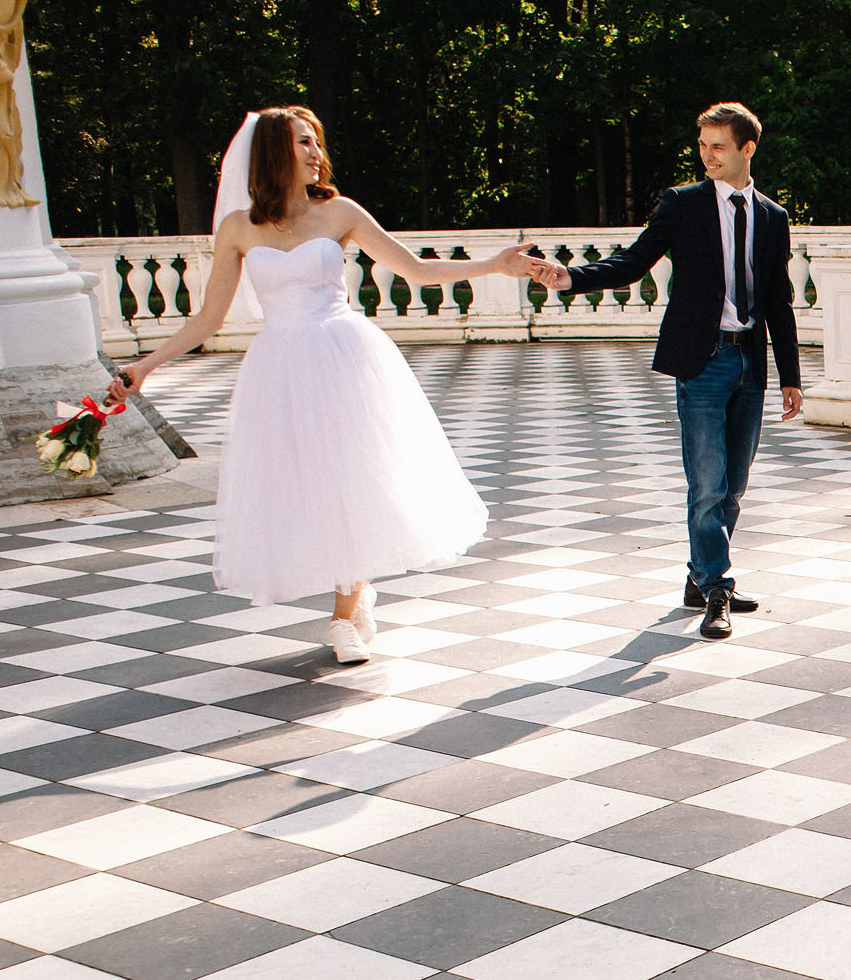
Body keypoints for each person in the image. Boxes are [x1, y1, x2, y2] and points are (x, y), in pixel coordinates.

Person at [107, 107, 536, 663]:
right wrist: (147, 366)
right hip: (280, 368)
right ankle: (354, 589)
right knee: (304, 486)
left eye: (316, 143)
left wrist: (494, 266)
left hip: (343, 358)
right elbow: (208, 317)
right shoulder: (239, 227)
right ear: (271, 154)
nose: (315, 153)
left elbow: (416, 271)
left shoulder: (339, 212)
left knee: (350, 478)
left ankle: (342, 617)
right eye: (302, 144)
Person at [529, 102, 802, 639]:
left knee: (734, 487)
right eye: (702, 146)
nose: (706, 156)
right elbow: (633, 262)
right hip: (701, 361)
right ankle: (717, 588)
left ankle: (699, 578)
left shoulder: (772, 216)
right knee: (706, 483)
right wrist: (569, 278)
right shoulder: (683, 204)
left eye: (718, 146)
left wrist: (789, 375)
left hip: (750, 360)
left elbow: (779, 300)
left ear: (748, 148)